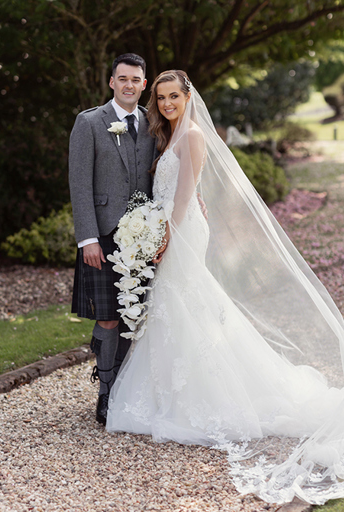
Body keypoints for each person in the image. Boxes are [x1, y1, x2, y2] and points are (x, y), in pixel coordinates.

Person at [105, 70, 344, 504]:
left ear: (188, 96)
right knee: (177, 306)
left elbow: (183, 197)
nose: (167, 104)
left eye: (174, 96)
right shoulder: (169, 134)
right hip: (167, 227)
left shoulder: (193, 135)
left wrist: (164, 239)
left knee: (182, 302)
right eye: (161, 98)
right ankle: (167, 396)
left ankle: (200, 399)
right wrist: (154, 229)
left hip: (179, 231)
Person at [68, 53, 158, 425]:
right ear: (111, 82)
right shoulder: (89, 122)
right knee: (107, 318)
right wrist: (87, 237)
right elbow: (79, 183)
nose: (128, 85)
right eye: (122, 79)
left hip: (143, 239)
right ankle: (106, 393)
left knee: (131, 318)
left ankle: (120, 385)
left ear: (144, 84)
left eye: (135, 80)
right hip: (102, 237)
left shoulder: (154, 124)